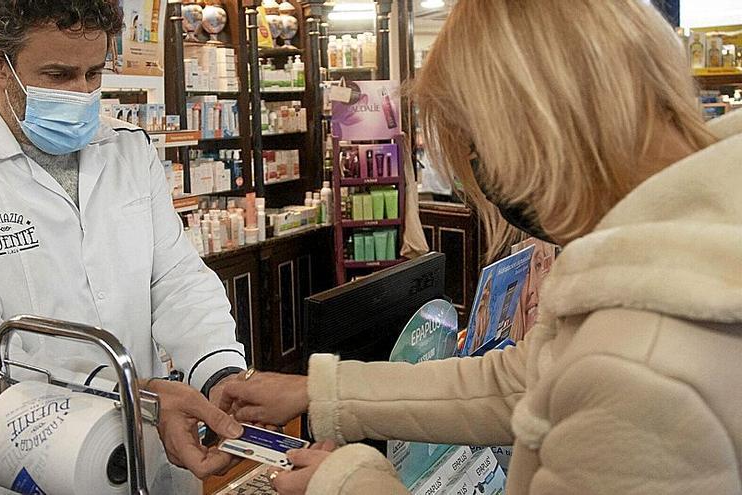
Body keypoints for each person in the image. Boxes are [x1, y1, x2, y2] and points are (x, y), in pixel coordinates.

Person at [219, 1, 742, 494]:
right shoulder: (691, 242)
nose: (488, 184)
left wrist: (347, 479)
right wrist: (318, 391)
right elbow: (520, 382)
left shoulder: (641, 366)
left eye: (480, 150)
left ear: (537, 126)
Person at [0, 1, 247, 492]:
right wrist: (139, 399)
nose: (81, 93)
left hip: (152, 450)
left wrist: (220, 373)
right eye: (57, 74)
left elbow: (176, 279)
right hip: (28, 463)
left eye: (94, 73)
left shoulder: (127, 147)